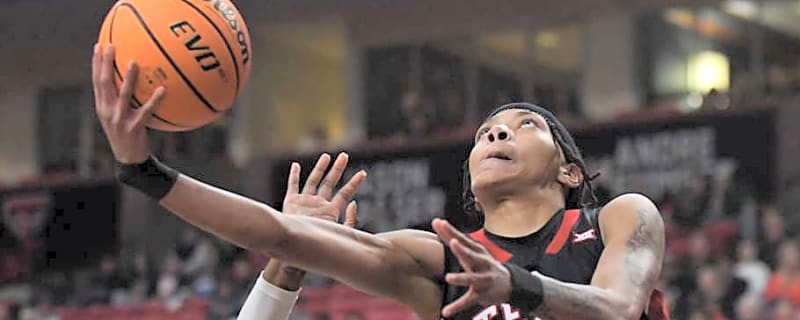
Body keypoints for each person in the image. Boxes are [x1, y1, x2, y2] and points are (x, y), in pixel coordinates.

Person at [92, 44, 667, 319]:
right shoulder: (438, 260)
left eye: (524, 126)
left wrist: (517, 286)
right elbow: (278, 234)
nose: (495, 136)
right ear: (469, 177)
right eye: (485, 133)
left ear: (569, 170)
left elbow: (618, 307)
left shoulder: (620, 217)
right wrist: (144, 172)